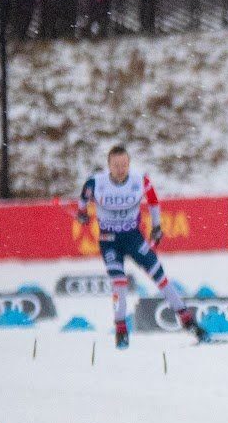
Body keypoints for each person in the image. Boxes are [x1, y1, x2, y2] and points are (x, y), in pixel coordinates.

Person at [77, 145, 212, 350]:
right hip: (109, 240)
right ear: (109, 166)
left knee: (161, 278)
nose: (121, 169)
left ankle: (188, 322)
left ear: (129, 164)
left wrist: (157, 226)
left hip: (133, 238)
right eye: (116, 165)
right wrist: (82, 213)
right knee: (119, 285)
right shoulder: (96, 182)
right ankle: (121, 332)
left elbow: (153, 202)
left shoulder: (140, 180)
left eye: (124, 164)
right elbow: (83, 200)